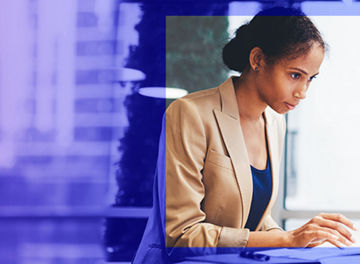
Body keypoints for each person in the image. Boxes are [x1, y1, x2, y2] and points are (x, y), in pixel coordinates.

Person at [132, 6, 357, 264]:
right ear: (258, 60)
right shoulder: (190, 113)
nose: (302, 92)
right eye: (295, 75)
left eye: (310, 79)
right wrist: (287, 240)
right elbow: (183, 236)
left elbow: (257, 222)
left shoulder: (274, 122)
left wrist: (302, 239)